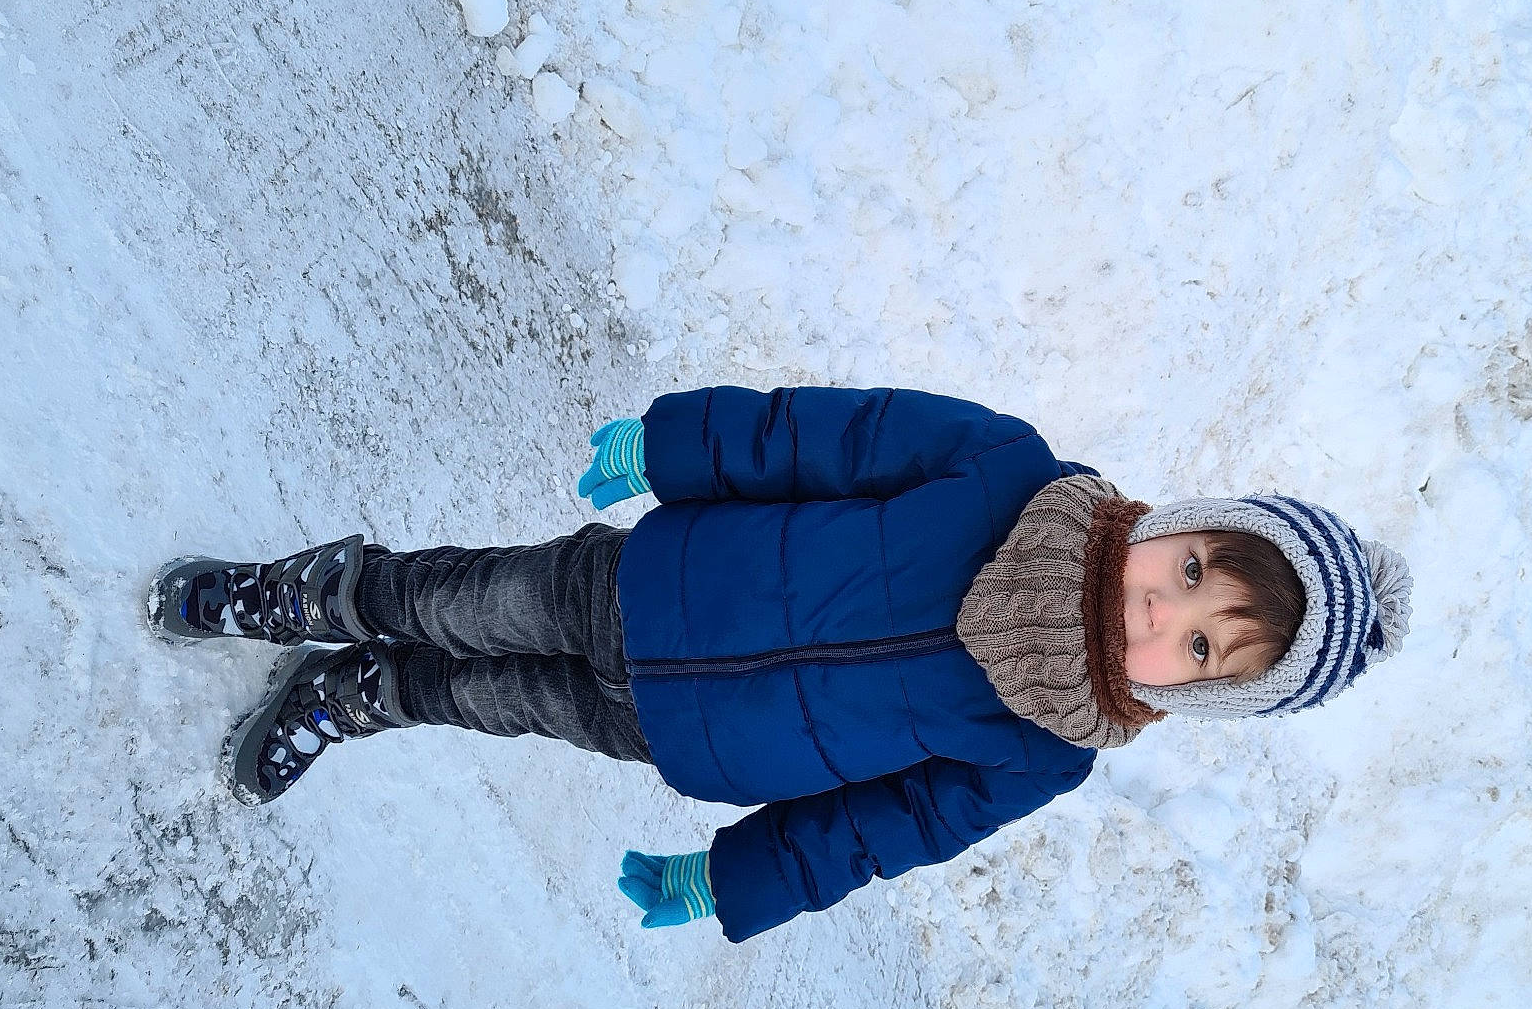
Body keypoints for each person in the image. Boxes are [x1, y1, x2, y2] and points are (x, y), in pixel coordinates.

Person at [149, 386, 1411, 941]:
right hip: (653, 579)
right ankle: (322, 590)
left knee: (490, 695)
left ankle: (360, 693)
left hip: (683, 739)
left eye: (1196, 647)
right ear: (1189, 521)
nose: (1158, 612)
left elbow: (880, 830)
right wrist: (674, 448)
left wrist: (732, 880)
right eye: (1193, 572)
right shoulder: (1014, 472)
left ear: (1199, 692)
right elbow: (827, 432)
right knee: (468, 597)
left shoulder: (1044, 751)